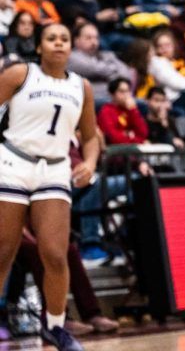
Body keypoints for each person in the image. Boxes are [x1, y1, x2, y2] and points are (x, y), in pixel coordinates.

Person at [0, 22, 100, 351]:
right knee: (3, 251)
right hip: (13, 163)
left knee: (56, 255)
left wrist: (89, 162)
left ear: (71, 47)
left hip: (54, 169)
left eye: (64, 39)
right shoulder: (19, 74)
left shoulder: (81, 86)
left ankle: (55, 327)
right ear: (40, 46)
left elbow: (90, 137)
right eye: (51, 38)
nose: (58, 43)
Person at [66, 23, 134, 88]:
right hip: (94, 98)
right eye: (88, 38)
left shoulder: (107, 55)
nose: (94, 42)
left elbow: (126, 74)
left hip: (114, 97)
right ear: (76, 40)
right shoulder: (72, 57)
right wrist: (116, 74)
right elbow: (96, 69)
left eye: (96, 38)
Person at [96, 79, 149, 146]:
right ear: (112, 94)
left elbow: (143, 134)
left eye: (128, 91)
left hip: (133, 150)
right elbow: (114, 138)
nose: (126, 95)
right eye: (122, 91)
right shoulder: (106, 111)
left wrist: (133, 110)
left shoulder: (131, 110)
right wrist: (135, 138)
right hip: (115, 152)